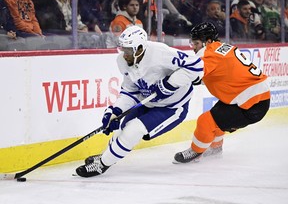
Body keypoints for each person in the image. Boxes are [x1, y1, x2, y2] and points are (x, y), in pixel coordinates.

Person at [75, 25, 204, 177]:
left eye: (128, 51)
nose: (124, 54)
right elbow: (130, 91)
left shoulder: (161, 53)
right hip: (147, 101)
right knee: (121, 127)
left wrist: (169, 85)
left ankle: (102, 164)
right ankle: (107, 157)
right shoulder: (122, 61)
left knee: (134, 129)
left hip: (172, 107)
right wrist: (115, 111)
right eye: (123, 49)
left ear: (140, 48)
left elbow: (197, 65)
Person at [173, 22, 270, 164]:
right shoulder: (223, 48)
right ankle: (216, 148)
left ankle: (195, 152)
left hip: (251, 103)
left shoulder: (209, 53)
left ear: (208, 41)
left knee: (205, 121)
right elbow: (216, 73)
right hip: (256, 98)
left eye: (197, 43)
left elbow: (192, 73)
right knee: (217, 118)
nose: (194, 47)